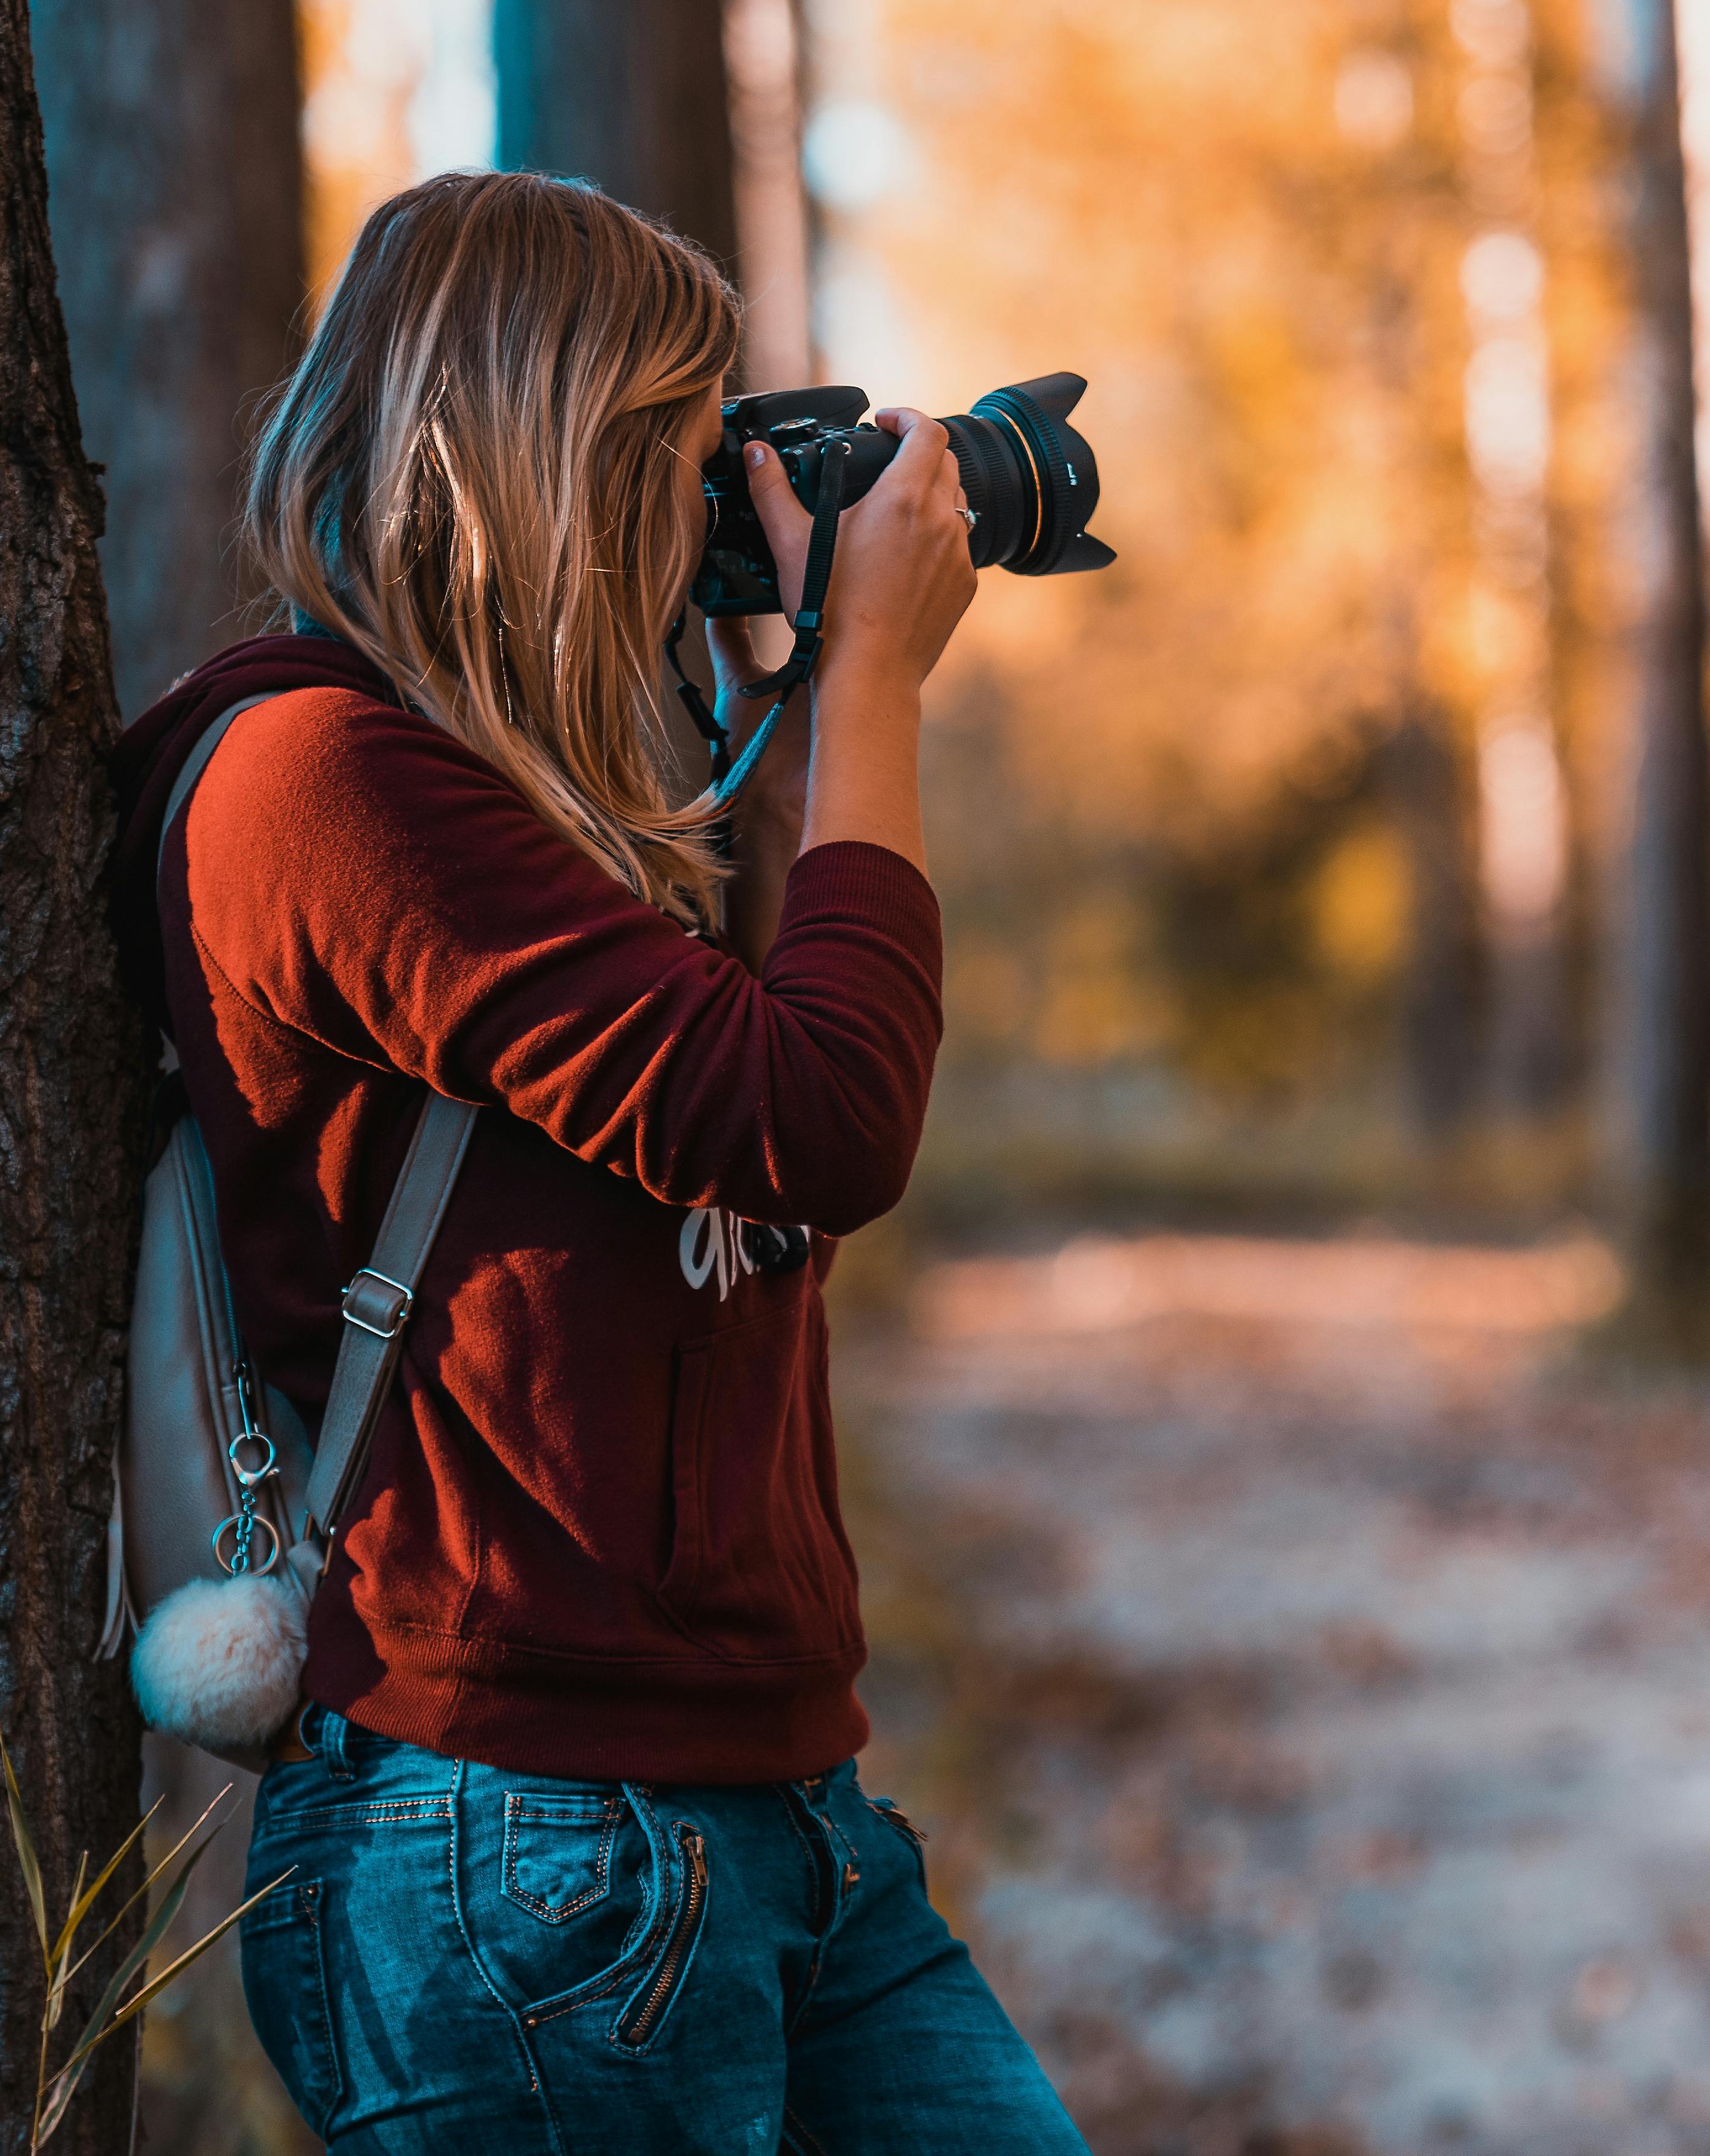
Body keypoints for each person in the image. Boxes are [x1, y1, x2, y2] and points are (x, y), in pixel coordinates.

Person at [105, 170, 1086, 2152]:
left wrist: (785, 723)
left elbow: (748, 1138)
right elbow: (825, 1121)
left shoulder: (519, 810)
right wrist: (877, 681)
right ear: (558, 456)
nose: (706, 492)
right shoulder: (324, 780)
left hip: (766, 1816)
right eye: (678, 439)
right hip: (520, 1840)